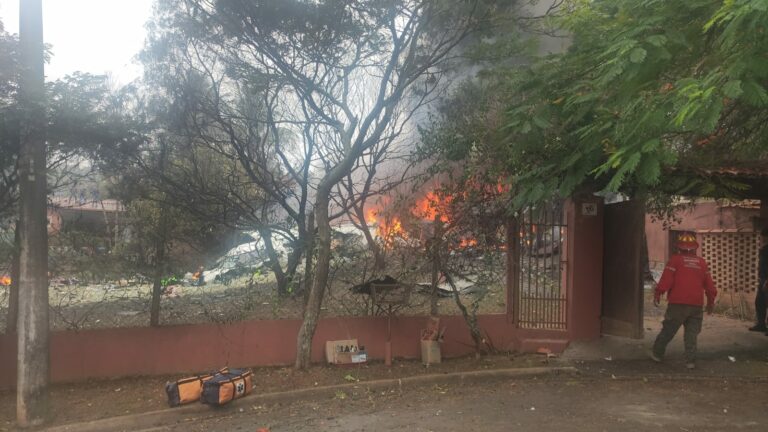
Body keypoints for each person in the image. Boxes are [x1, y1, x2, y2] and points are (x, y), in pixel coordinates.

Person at [650, 231, 717, 369]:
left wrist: (658, 293)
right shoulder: (702, 263)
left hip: (677, 304)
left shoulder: (675, 260)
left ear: (679, 247)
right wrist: (710, 303)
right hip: (696, 305)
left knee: (668, 330)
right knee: (691, 334)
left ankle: (657, 354)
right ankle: (690, 362)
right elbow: (710, 288)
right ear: (695, 248)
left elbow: (666, 281)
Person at [748, 228, 768, 334]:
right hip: (762, 280)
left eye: (763, 236)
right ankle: (761, 324)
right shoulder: (763, 249)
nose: (762, 238)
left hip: (766, 281)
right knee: (759, 302)